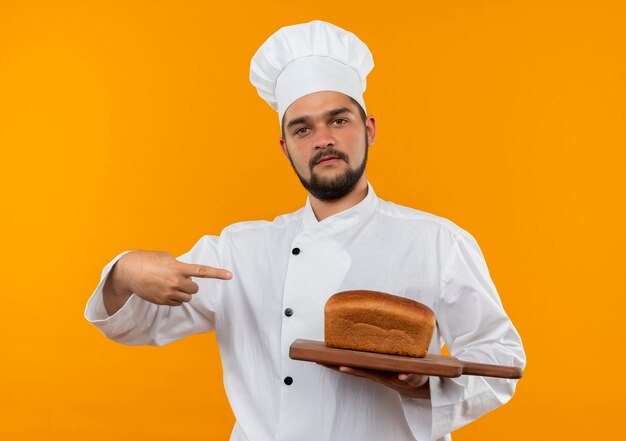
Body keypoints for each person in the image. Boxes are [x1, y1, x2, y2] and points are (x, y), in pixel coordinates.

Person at [85, 20, 526, 441]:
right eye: (302, 128)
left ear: (369, 130)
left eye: (339, 120)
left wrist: (421, 387)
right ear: (286, 148)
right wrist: (125, 270)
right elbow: (138, 325)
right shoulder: (238, 250)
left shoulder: (437, 241)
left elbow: (500, 357)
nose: (323, 140)